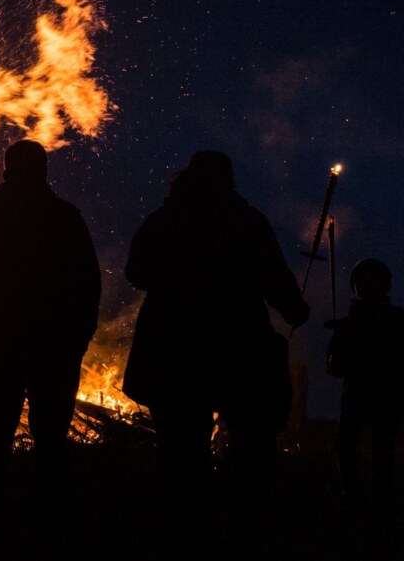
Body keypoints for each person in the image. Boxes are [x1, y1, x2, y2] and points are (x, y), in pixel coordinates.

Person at [122, 150, 308, 544]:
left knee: (180, 446)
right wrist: (295, 310)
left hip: (175, 350)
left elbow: (136, 271)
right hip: (238, 348)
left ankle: (183, 528)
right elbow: (274, 275)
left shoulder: (166, 220)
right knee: (250, 442)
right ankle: (243, 527)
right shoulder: (247, 221)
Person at [0, 139, 100, 500]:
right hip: (55, 348)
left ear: (7, 170)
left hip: (0, 347)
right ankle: (50, 516)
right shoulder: (65, 218)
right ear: (42, 171)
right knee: (50, 438)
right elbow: (87, 284)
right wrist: (77, 338)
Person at [327, 257, 404, 507]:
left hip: (364, 395)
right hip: (383, 396)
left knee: (351, 446)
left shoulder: (352, 324)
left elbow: (334, 366)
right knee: (378, 451)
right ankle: (372, 498)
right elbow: (335, 366)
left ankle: (357, 496)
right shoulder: (396, 320)